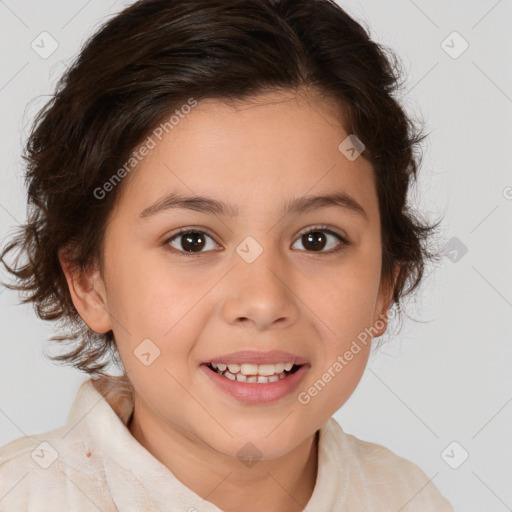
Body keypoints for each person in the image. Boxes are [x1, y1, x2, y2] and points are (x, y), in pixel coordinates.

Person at [0, 0, 454, 510]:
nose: (262, 302)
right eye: (191, 240)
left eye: (317, 239)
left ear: (385, 285)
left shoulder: (408, 497)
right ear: (88, 280)